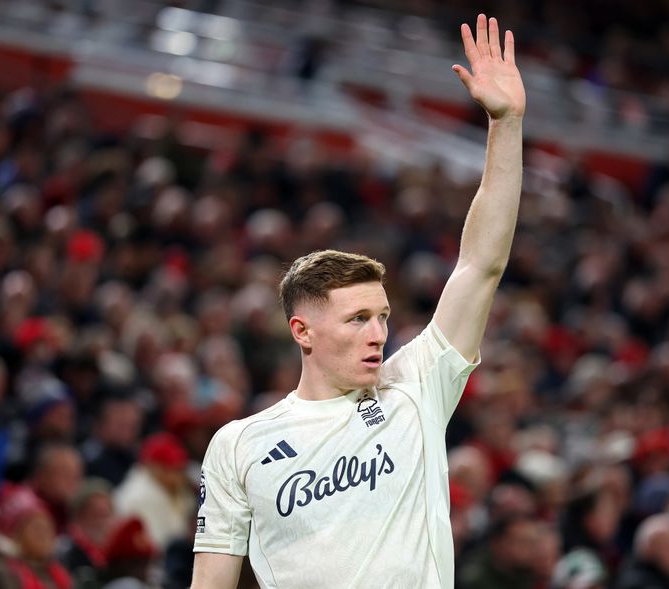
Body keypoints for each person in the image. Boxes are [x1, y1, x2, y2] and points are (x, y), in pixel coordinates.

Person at [192, 12, 525, 589]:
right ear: (303, 331)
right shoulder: (240, 445)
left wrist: (507, 125)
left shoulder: (415, 388)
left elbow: (480, 264)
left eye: (382, 318)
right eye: (357, 318)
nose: (378, 333)